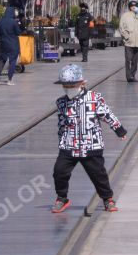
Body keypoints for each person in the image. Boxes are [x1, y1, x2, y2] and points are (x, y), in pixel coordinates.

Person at [51, 64, 127, 214]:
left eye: (72, 85)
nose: (68, 88)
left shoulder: (94, 98)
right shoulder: (61, 102)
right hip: (69, 144)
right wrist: (61, 140)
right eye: (65, 86)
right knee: (59, 171)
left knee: (98, 174)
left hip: (91, 145)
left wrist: (119, 129)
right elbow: (61, 123)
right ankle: (62, 197)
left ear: (82, 83)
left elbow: (107, 114)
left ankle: (107, 199)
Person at [0, 6, 21, 86]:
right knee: (12, 62)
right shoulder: (14, 22)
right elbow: (18, 32)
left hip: (3, 44)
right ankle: (9, 80)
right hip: (13, 44)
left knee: (1, 61)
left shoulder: (0, 21)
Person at [119, 0, 138, 83]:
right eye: (135, 6)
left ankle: (133, 75)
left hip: (137, 43)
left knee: (135, 61)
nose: (137, 7)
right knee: (128, 60)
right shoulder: (125, 16)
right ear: (131, 7)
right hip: (129, 42)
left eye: (137, 6)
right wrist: (126, 37)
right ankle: (129, 76)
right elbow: (121, 28)